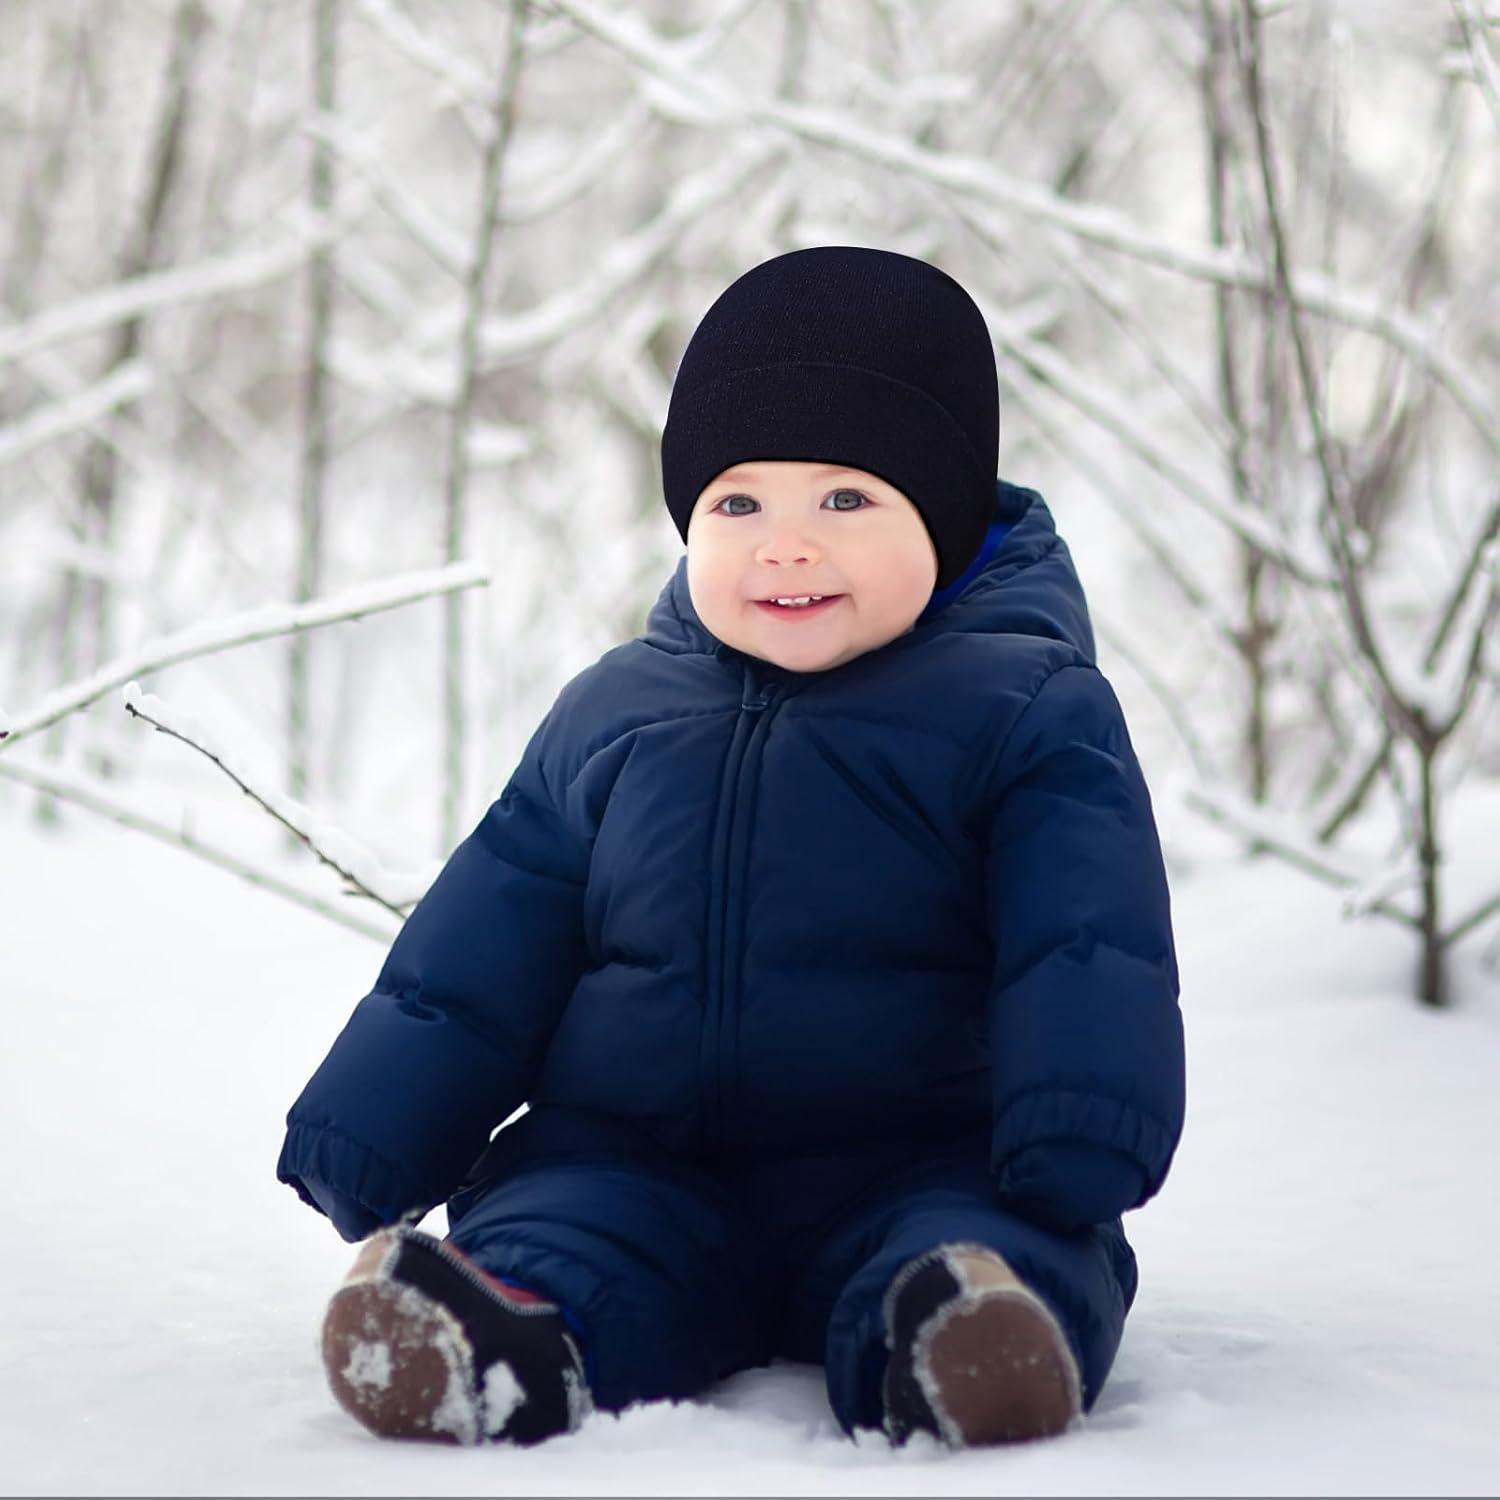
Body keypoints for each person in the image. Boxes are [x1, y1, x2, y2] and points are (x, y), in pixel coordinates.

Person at [277, 245, 1186, 1450]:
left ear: (949, 514)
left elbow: (1085, 939)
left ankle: (957, 1344)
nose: (785, 544)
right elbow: (487, 936)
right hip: (640, 1159)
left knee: (992, 1248)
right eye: (737, 502)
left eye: (847, 499)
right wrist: (373, 1125)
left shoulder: (1024, 707)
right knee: (559, 1226)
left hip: (921, 1160)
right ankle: (503, 1341)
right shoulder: (618, 709)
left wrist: (1081, 1128)